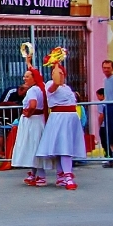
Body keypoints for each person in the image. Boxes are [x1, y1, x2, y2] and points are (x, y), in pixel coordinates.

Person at [35, 61, 86, 190]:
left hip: (71, 119)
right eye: (54, 73)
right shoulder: (50, 85)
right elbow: (56, 82)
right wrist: (56, 64)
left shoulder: (67, 88)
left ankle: (61, 175)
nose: (58, 75)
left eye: (60, 73)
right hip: (60, 118)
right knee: (64, 148)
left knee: (64, 147)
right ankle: (68, 176)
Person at [13, 55, 51, 186]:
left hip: (33, 121)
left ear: (33, 78)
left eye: (27, 76)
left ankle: (41, 175)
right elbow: (34, 71)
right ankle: (34, 173)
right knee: (34, 147)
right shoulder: (42, 87)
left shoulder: (32, 91)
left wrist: (28, 113)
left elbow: (33, 105)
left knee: (34, 147)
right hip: (39, 120)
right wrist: (28, 62)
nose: (24, 78)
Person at [96, 88, 109, 158]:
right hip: (109, 125)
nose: (97, 97)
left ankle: (107, 155)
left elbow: (101, 115)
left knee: (104, 141)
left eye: (98, 95)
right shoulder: (108, 102)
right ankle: (110, 155)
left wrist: (99, 124)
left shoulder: (101, 104)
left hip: (103, 125)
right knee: (109, 141)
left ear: (102, 95)